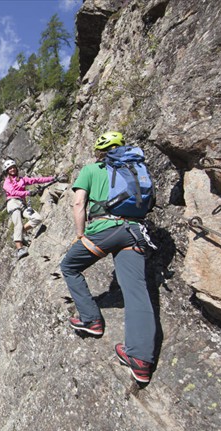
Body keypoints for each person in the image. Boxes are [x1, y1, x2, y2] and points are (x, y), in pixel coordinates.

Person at [59, 131, 156, 384]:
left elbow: (78, 204)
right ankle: (141, 360)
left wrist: (80, 235)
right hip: (134, 232)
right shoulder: (136, 169)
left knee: (69, 266)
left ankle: (91, 320)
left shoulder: (91, 170)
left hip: (104, 231)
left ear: (99, 152)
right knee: (137, 292)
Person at [2, 159, 56, 259]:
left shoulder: (22, 179)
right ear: (7, 171)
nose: (12, 169)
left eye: (13, 167)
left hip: (23, 204)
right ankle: (19, 249)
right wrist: (28, 193)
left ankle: (19, 233)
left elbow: (36, 180)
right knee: (18, 223)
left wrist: (52, 178)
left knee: (37, 218)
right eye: (10, 169)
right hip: (13, 203)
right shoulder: (6, 183)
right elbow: (13, 192)